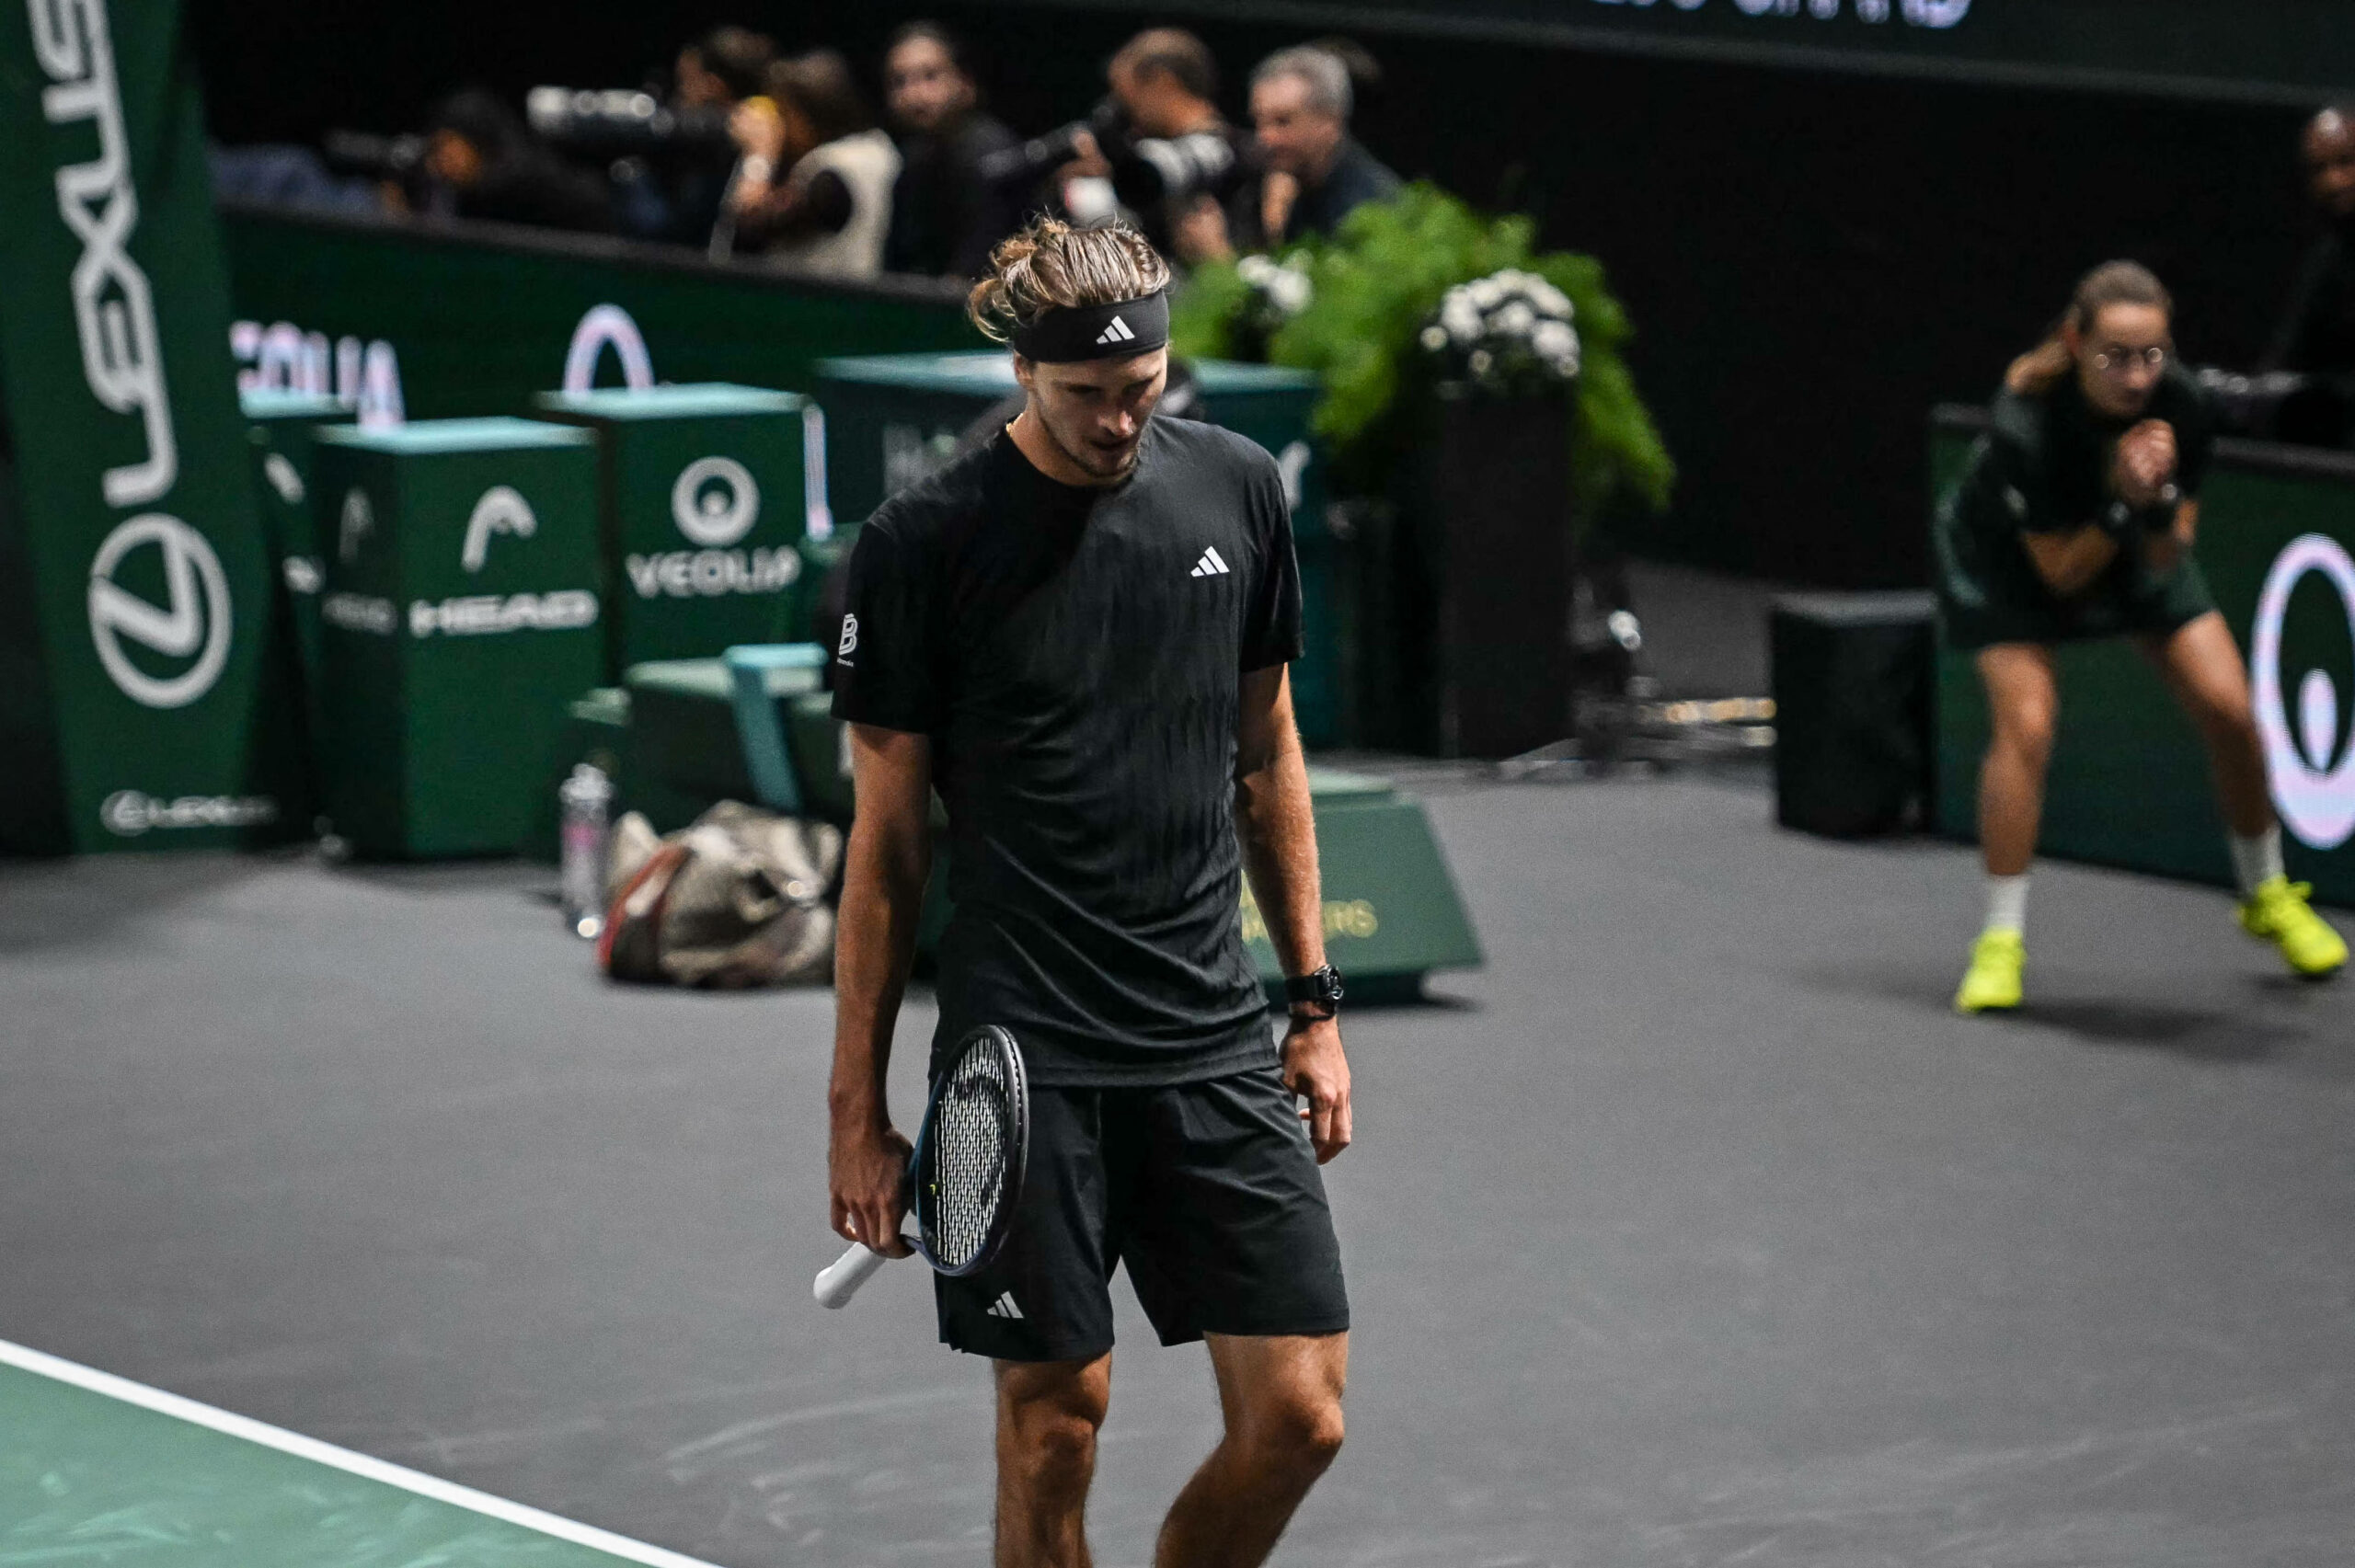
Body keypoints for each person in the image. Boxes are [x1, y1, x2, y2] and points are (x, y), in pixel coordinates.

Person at [827, 216, 1353, 1567]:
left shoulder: (1235, 489)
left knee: (1300, 1416)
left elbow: (1268, 752)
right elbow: (886, 852)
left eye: (1144, 390)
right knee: (1057, 1427)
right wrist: (858, 1115)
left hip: (1209, 1028)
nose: (1122, 422)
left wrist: (1313, 1002)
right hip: (1028, 1044)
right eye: (1088, 397)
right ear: (1020, 370)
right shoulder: (922, 545)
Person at [1938, 260, 2348, 1014]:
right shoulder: (2025, 421)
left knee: (2232, 709)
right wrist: (2125, 504)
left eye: (2151, 355)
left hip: (2123, 547)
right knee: (2026, 724)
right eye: (2116, 357)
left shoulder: (2182, 404)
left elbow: (2169, 551)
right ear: (2074, 340)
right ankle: (2000, 941)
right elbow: (2060, 575)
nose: (2137, 376)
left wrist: (2155, 499)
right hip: (2012, 565)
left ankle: (2266, 893)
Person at [1179, 45, 1400, 265]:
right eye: (1259, 122)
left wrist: (1220, 262)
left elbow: (1318, 299)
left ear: (1330, 123)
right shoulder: (1305, 188)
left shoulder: (1367, 210)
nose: (1265, 138)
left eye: (1283, 122)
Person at [1063, 29, 1241, 261]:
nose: (1125, 115)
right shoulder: (1156, 168)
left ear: (1162, 82)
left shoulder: (1246, 165)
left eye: (1127, 100)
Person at [721, 50, 901, 276]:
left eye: (785, 114)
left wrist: (760, 155)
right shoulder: (875, 149)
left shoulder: (831, 176)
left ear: (810, 113)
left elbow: (751, 223)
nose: (780, 127)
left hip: (821, 303)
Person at [880, 21, 1023, 280]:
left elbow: (977, 273)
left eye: (930, 76)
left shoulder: (992, 157)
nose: (914, 94)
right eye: (899, 81)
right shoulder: (914, 157)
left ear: (965, 84)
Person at [2261, 105, 2355, 446]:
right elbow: (2287, 357)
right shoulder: (2327, 256)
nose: (2334, 181)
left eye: (2346, 162)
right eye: (2320, 169)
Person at [413, 88, 613, 234]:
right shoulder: (466, 193)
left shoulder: (528, 181)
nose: (440, 163)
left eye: (447, 148)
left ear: (479, 145)